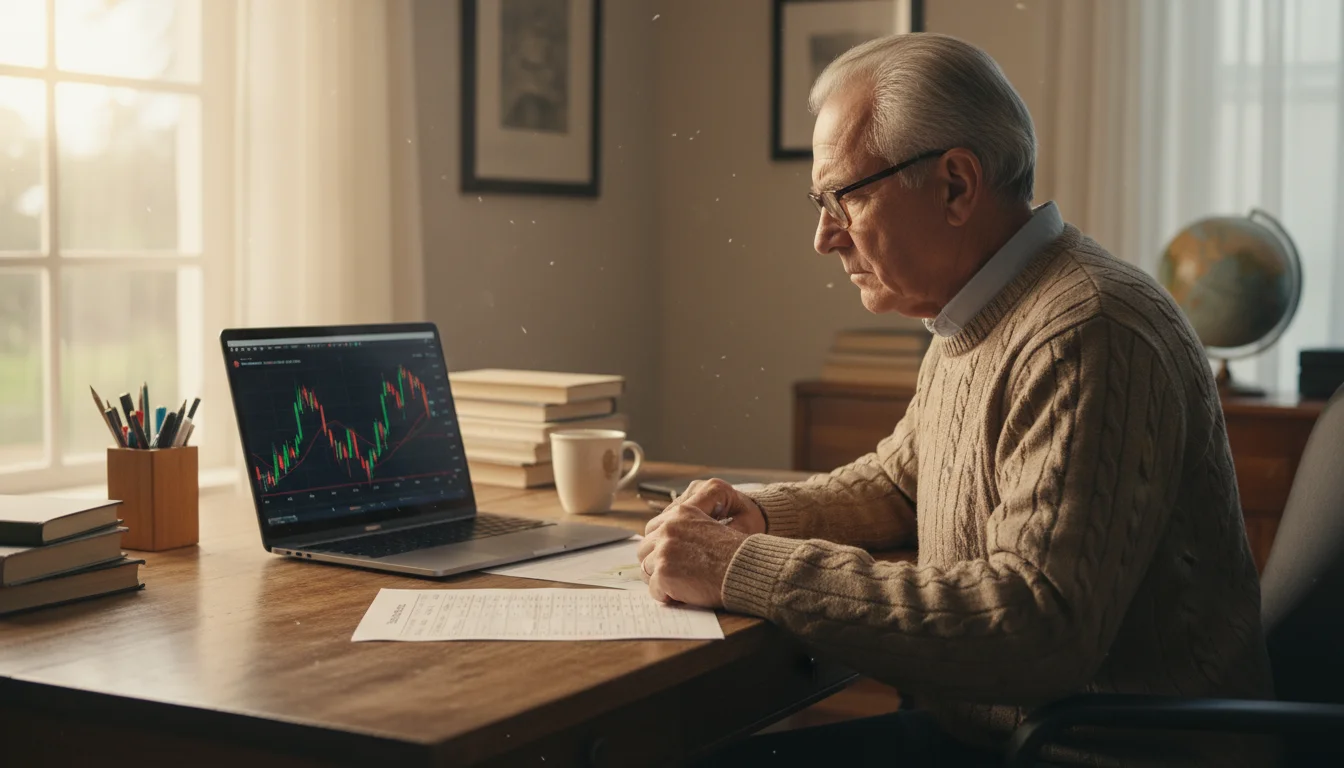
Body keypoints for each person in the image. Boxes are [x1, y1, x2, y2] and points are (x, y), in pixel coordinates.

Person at [637, 33, 1273, 766]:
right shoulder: (976, 311)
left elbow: (1037, 626)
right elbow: (903, 480)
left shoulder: (1087, 329)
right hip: (1006, 738)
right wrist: (764, 514)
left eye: (844, 196)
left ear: (956, 185)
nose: (823, 237)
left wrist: (744, 565)